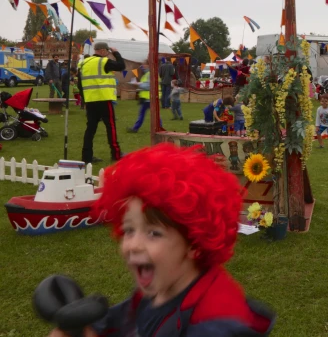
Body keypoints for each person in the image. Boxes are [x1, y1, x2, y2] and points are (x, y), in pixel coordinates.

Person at [46, 144, 276, 337]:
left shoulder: (217, 323)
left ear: (194, 243)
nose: (133, 244)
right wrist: (85, 327)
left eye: (154, 233)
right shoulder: (159, 290)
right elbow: (121, 323)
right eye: (128, 230)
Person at [78, 42, 125, 164]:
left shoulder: (83, 63)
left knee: (90, 129)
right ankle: (116, 153)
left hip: (90, 100)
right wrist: (116, 53)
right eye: (107, 52)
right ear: (103, 51)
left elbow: (80, 84)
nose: (108, 54)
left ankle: (86, 156)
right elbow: (121, 65)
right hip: (104, 99)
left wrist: (85, 99)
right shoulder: (104, 62)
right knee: (110, 127)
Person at [127, 63, 163, 133]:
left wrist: (138, 84)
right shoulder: (149, 74)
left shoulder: (150, 74)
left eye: (144, 65)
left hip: (150, 98)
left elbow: (148, 86)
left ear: (149, 65)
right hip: (149, 97)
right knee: (155, 114)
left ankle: (135, 128)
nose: (142, 66)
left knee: (149, 114)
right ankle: (159, 128)